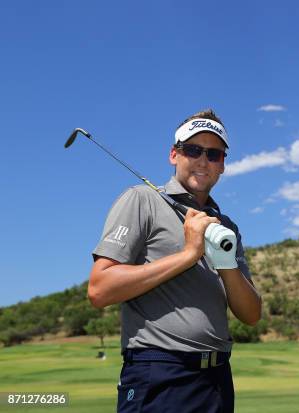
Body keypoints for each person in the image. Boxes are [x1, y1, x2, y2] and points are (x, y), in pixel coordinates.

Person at [88, 109, 262, 412]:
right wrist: (188, 254)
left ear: (223, 164)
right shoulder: (142, 200)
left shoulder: (226, 227)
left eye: (214, 154)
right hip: (161, 372)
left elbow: (251, 314)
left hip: (217, 378)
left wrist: (226, 264)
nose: (203, 160)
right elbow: (100, 289)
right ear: (174, 154)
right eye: (193, 150)